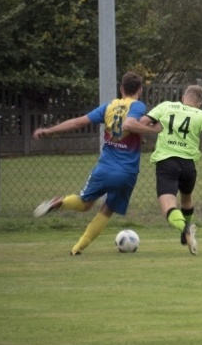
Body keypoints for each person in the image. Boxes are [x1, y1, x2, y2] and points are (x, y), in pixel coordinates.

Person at [32, 72, 155, 255]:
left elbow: (78, 122)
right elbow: (129, 124)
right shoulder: (138, 106)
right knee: (107, 209)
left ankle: (61, 203)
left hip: (104, 168)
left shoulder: (108, 107)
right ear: (140, 91)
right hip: (126, 172)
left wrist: (49, 130)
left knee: (84, 203)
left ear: (121, 89)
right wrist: (153, 130)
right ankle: (78, 246)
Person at [122, 85, 202, 255]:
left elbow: (141, 123)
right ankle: (185, 235)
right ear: (199, 103)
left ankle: (185, 227)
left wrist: (152, 128)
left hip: (166, 163)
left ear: (183, 97)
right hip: (188, 166)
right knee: (186, 201)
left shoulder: (166, 106)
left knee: (168, 207)